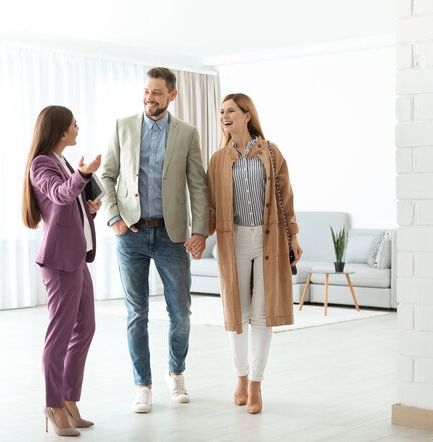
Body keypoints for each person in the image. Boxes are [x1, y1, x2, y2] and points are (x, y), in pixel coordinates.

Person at [101, 67, 209, 413]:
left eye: (157, 93)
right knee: (137, 313)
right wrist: (114, 216)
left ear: (172, 95)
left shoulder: (187, 134)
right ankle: (142, 384)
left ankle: (175, 373)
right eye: (147, 91)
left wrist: (200, 231)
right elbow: (107, 175)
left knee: (181, 313)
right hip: (130, 233)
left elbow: (198, 184)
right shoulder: (123, 126)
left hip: (171, 234)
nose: (150, 98)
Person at [206, 93, 302, 414]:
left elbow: (285, 197)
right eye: (221, 112)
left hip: (268, 240)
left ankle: (257, 385)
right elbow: (209, 204)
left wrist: (295, 237)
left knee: (262, 315)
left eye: (230, 110)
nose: (224, 116)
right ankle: (241, 377)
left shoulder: (271, 153)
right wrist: (195, 236)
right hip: (231, 242)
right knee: (237, 316)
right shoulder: (219, 159)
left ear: (247, 115)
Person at [21, 105, 102, 437]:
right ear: (60, 131)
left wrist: (90, 208)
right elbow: (58, 193)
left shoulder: (62, 161)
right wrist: (83, 176)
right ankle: (53, 405)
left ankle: (68, 399)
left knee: (86, 328)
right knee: (60, 335)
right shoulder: (41, 164)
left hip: (77, 258)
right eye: (74, 125)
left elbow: (67, 206)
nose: (78, 129)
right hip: (59, 262)